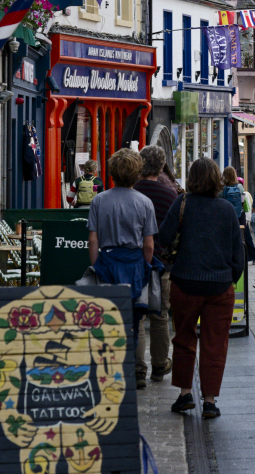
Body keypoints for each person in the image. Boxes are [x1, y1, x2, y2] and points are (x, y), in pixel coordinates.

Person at [158, 158, 244, 418]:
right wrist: (230, 277)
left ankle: (185, 394)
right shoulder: (226, 209)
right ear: (217, 179)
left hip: (185, 283)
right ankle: (209, 401)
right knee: (215, 343)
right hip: (220, 287)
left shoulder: (181, 203)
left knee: (184, 338)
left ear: (192, 178)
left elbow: (163, 237)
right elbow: (238, 251)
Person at [83, 148, 158, 353]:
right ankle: (129, 365)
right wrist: (145, 268)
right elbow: (149, 245)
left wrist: (96, 267)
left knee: (105, 321)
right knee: (132, 323)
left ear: (112, 173)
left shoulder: (99, 201)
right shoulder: (145, 203)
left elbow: (93, 240)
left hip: (107, 264)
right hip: (134, 266)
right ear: (137, 173)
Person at [132, 145, 180, 382]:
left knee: (138, 318)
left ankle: (138, 370)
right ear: (161, 167)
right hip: (162, 264)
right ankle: (160, 365)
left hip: (134, 264)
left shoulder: (131, 192)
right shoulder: (170, 195)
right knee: (160, 315)